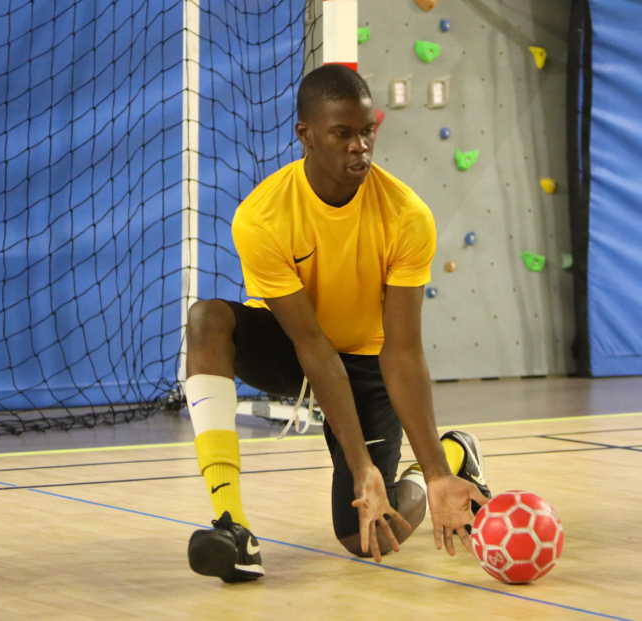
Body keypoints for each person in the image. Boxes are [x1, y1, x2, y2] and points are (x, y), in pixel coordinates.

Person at [182, 64, 492, 583]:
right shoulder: (262, 218)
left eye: (367, 131)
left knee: (369, 540)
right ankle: (232, 525)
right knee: (207, 318)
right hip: (300, 350)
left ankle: (457, 455)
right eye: (342, 134)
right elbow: (311, 345)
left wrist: (435, 470)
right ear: (305, 134)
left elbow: (403, 351)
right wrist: (361, 465)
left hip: (369, 360)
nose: (359, 146)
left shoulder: (406, 216)